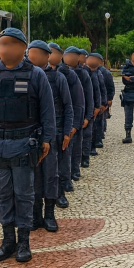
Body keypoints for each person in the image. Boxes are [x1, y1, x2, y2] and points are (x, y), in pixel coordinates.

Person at [0, 28, 56, 264]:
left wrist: (47, 139)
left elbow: (47, 110)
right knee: (4, 195)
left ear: (23, 48)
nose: (5, 48)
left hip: (24, 144)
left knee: (24, 194)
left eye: (11, 43)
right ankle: (7, 240)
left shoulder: (36, 75)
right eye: (2, 43)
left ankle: (23, 243)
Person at [27, 40, 73, 232]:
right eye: (31, 52)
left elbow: (69, 106)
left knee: (51, 175)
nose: (32, 56)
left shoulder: (58, 77)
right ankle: (36, 215)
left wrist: (67, 131)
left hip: (51, 132)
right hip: (30, 134)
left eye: (37, 53)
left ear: (47, 56)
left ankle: (50, 215)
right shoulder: (24, 75)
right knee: (34, 176)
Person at [48, 42, 84, 206]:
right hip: (42, 126)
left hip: (61, 124)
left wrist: (73, 126)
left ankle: (60, 191)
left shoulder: (66, 75)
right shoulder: (33, 73)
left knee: (62, 161)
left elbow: (76, 102)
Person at [67, 47, 93, 182]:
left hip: (79, 113)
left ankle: (75, 170)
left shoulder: (83, 74)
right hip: (65, 114)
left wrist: (87, 116)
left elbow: (88, 96)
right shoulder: (61, 72)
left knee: (77, 144)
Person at [83, 50, 104, 164]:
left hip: (92, 106)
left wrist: (101, 104)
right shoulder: (82, 72)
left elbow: (98, 91)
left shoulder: (98, 73)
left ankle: (87, 154)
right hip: (81, 106)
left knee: (90, 132)